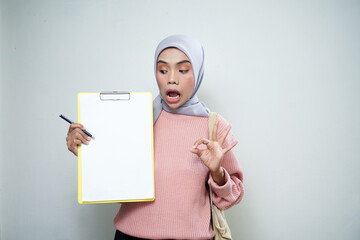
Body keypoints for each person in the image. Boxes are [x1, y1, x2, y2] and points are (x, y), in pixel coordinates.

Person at [66, 35, 244, 240]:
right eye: (163, 70)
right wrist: (86, 150)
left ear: (198, 72)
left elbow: (232, 198)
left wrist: (218, 173)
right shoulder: (136, 117)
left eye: (183, 70)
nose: (172, 78)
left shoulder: (215, 126)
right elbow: (116, 179)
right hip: (130, 237)